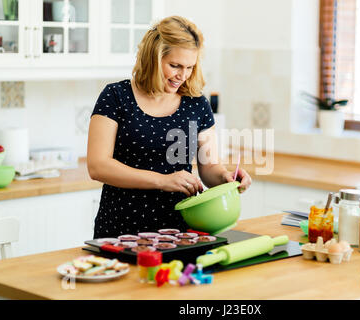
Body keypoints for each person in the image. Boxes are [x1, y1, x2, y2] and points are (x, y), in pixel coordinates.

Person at [87, 16, 252, 238]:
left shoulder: (196, 103)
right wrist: (162, 180)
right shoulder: (116, 96)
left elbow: (209, 167)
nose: (182, 76)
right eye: (175, 66)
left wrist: (226, 178)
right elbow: (98, 166)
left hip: (179, 233)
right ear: (153, 58)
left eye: (190, 67)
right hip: (121, 229)